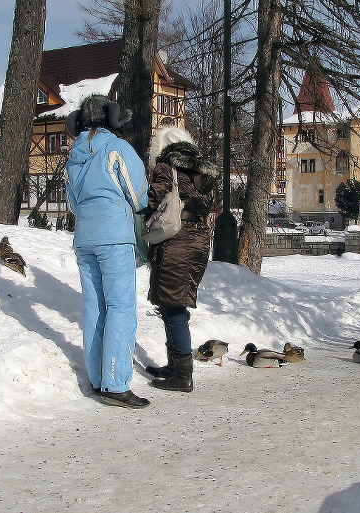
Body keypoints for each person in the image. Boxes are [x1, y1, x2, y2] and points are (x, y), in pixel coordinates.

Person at [64, 94, 150, 409]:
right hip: (114, 237)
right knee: (121, 308)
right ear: (111, 119)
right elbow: (139, 194)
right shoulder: (117, 149)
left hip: (84, 239)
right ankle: (115, 384)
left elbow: (72, 204)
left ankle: (98, 379)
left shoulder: (72, 157)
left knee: (95, 307)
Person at [142, 126, 219, 392]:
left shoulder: (166, 165)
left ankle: (183, 374)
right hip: (198, 241)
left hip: (175, 240)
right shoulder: (205, 171)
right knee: (172, 303)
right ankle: (175, 364)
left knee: (173, 305)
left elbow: (153, 199)